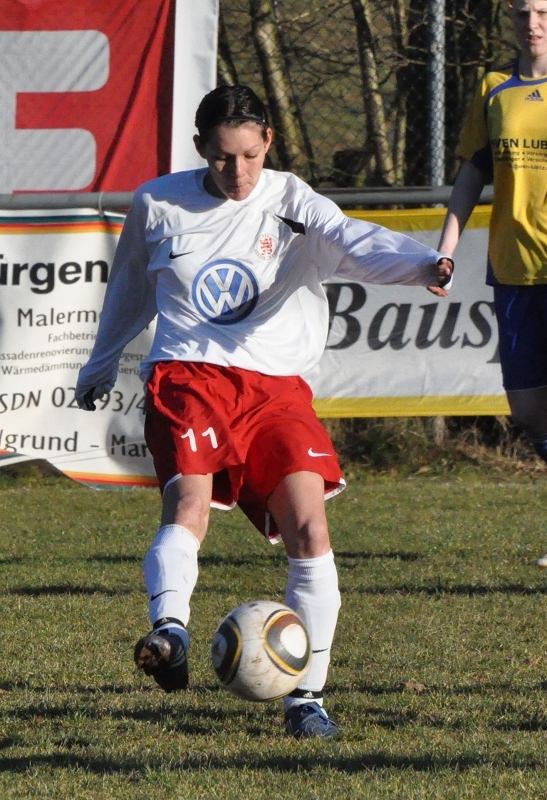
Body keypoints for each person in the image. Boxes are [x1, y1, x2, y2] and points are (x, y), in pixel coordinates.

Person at [75, 84, 453, 739]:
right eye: (223, 158)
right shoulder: (158, 203)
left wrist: (423, 263)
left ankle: (306, 701)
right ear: (200, 148)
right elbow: (131, 287)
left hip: (276, 389)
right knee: (189, 506)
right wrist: (100, 363)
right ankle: (170, 631)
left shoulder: (290, 199)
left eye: (250, 155)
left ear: (268, 142)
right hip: (188, 374)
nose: (239, 172)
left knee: (309, 529)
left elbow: (351, 238)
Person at [437, 0, 547, 567]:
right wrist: (446, 249)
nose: (532, 24)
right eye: (523, 13)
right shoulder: (493, 87)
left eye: (543, 12)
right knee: (527, 409)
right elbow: (472, 173)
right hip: (512, 268)